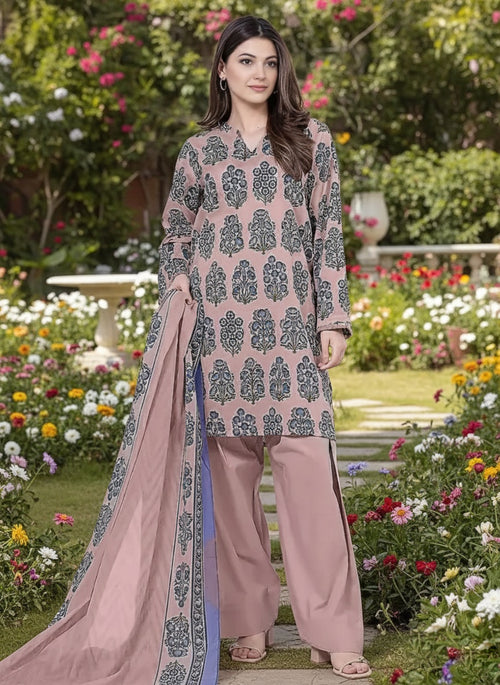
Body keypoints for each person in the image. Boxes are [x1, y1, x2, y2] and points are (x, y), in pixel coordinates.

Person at [163, 14, 372, 680]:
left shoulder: (311, 141)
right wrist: (178, 299)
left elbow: (328, 233)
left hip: (291, 338)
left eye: (270, 62)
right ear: (222, 70)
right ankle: (248, 620)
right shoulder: (200, 152)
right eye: (246, 61)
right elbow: (175, 238)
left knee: (312, 488)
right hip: (220, 340)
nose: (260, 73)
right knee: (231, 492)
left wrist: (333, 318)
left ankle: (333, 629)